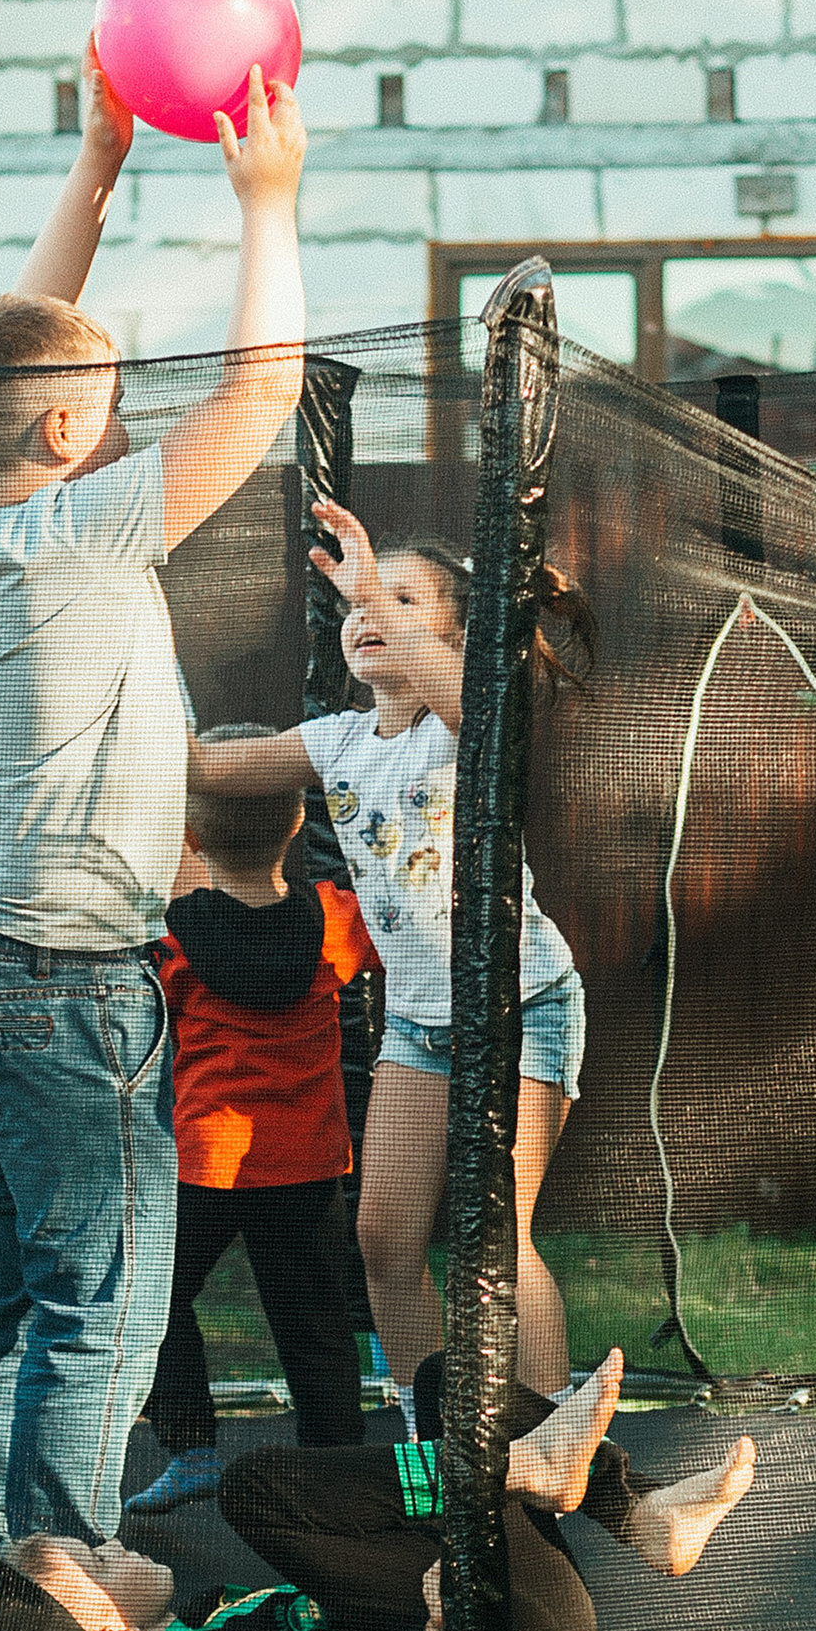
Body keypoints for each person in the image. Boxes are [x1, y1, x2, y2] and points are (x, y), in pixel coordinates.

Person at [0, 39, 308, 1574]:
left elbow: (6, 358)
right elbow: (264, 390)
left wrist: (100, 165)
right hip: (61, 982)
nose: (129, 418)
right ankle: (66, 1563)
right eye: (115, 401)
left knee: (3, 1276)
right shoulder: (78, 530)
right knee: (105, 1291)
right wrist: (267, 198)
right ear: (70, 436)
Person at [186, 503, 591, 1400]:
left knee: (496, 1238)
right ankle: (424, 1454)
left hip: (519, 1005)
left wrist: (368, 584)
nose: (368, 611)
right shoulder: (334, 742)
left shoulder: (463, 726)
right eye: (359, 604)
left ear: (457, 637)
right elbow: (203, 768)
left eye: (404, 601)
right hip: (417, 1025)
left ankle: (555, 1451)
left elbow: (466, 698)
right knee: (384, 1240)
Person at [0, 1349, 757, 1631]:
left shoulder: (200, 1619)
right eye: (97, 1559)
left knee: (447, 1377)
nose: (112, 1543)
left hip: (496, 1615)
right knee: (251, 1490)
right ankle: (515, 1469)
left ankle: (642, 1515)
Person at [125, 726, 380, 1516]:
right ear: (298, 824)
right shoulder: (334, 921)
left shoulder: (172, 936)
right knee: (318, 1330)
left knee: (154, 1299)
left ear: (191, 835)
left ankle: (191, 1445)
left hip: (205, 1161)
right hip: (307, 1165)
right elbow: (392, 937)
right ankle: (337, 1477)